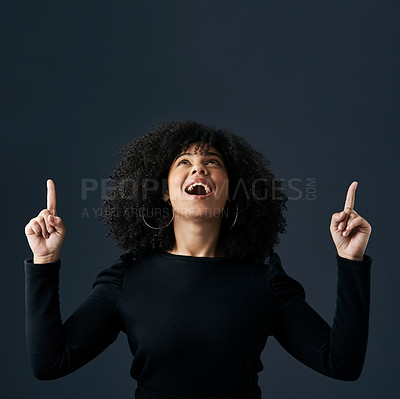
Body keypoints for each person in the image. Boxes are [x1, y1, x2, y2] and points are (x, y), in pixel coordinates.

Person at [24, 120, 372, 399]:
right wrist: (45, 261)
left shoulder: (264, 282)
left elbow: (341, 364)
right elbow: (50, 363)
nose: (199, 170)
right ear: (163, 192)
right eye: (185, 162)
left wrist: (350, 260)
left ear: (232, 191)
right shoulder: (128, 279)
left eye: (212, 163)